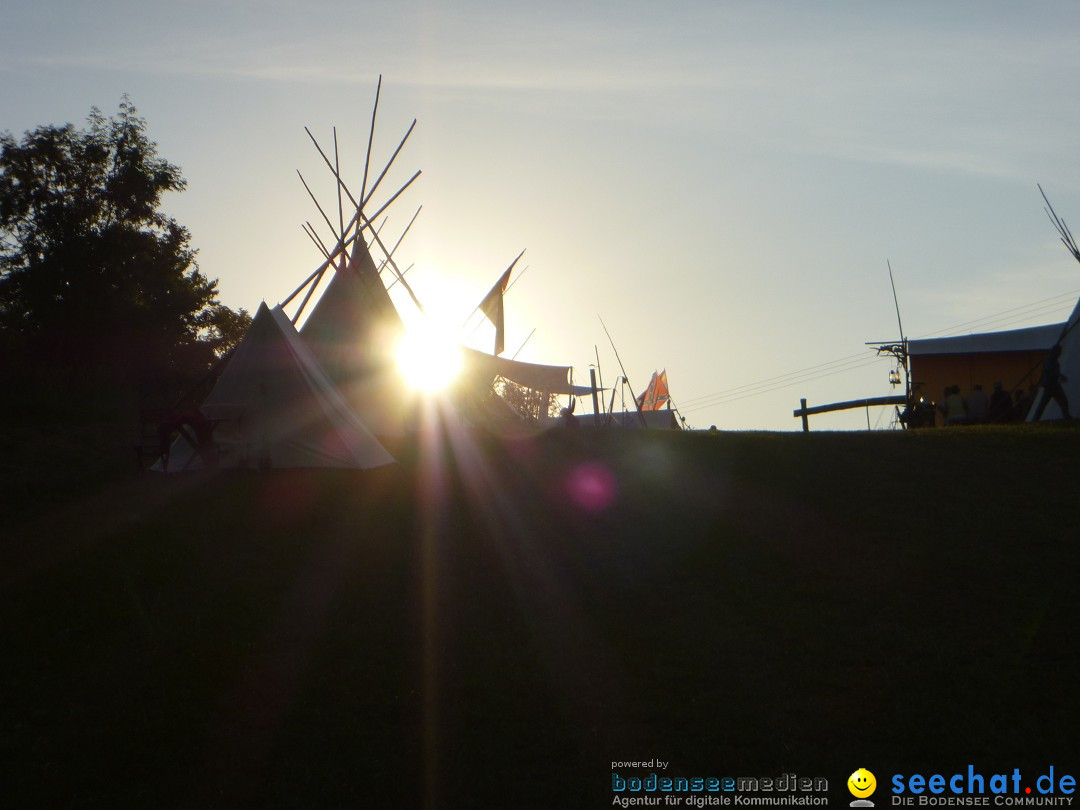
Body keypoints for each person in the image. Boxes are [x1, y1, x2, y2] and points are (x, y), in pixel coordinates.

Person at [1032, 344, 1072, 420]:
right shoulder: (1050, 359)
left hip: (1050, 384)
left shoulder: (1051, 359)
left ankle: (1035, 418)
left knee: (1045, 403)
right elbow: (1051, 371)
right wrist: (1060, 375)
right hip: (1051, 384)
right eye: (1059, 351)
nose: (1060, 353)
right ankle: (1066, 416)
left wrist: (1060, 375)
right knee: (1062, 401)